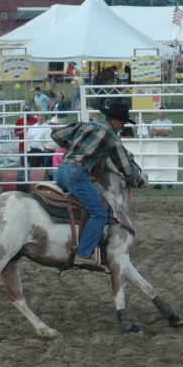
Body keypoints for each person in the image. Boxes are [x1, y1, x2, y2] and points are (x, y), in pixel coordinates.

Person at [51, 102, 144, 267]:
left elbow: (56, 134)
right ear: (115, 121)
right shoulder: (112, 138)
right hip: (77, 173)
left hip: (61, 171)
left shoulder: (84, 125)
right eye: (122, 124)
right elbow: (126, 168)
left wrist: (76, 146)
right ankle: (83, 253)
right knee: (100, 212)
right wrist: (136, 180)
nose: (121, 128)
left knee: (74, 205)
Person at [14, 104, 38, 193]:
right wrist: (25, 129)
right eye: (25, 111)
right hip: (22, 146)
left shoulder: (35, 120)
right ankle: (22, 184)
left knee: (33, 165)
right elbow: (16, 133)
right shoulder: (19, 121)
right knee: (23, 165)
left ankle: (32, 184)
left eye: (28, 111)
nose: (26, 113)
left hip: (32, 146)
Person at [149, 111, 174, 190]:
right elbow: (152, 132)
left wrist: (157, 131)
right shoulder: (154, 122)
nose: (162, 112)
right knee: (157, 163)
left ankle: (169, 183)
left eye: (163, 110)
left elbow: (167, 132)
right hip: (157, 145)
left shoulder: (169, 122)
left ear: (166, 112)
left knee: (167, 163)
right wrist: (162, 130)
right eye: (160, 110)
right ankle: (158, 183)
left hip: (166, 145)